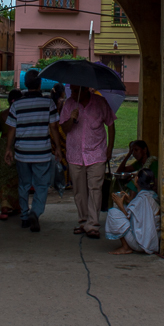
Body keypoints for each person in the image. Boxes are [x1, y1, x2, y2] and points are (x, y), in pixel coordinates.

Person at [4, 69, 60, 232]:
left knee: (23, 184)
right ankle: (35, 212)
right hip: (42, 152)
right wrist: (57, 148)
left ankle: (24, 217)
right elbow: (54, 128)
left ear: (25, 84)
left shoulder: (16, 105)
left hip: (22, 153)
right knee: (42, 185)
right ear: (40, 83)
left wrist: (9, 149)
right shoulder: (48, 103)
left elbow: (11, 130)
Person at [60, 83, 115, 238]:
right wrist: (72, 119)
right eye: (71, 90)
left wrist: (109, 148)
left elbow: (111, 124)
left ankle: (93, 224)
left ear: (85, 89)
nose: (72, 93)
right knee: (79, 191)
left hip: (96, 153)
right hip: (75, 155)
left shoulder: (100, 103)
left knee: (95, 189)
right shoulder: (69, 104)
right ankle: (83, 221)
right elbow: (64, 128)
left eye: (76, 90)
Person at [105, 169, 160, 255]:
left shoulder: (142, 199)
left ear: (137, 179)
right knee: (125, 209)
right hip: (153, 240)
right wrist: (130, 201)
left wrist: (120, 205)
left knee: (113, 213)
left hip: (142, 243)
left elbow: (129, 217)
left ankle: (125, 247)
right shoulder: (151, 194)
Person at [0, 89, 23, 220]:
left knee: (3, 178)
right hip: (18, 147)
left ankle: (5, 207)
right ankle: (17, 205)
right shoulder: (21, 115)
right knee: (18, 178)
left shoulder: (2, 115)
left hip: (3, 148)